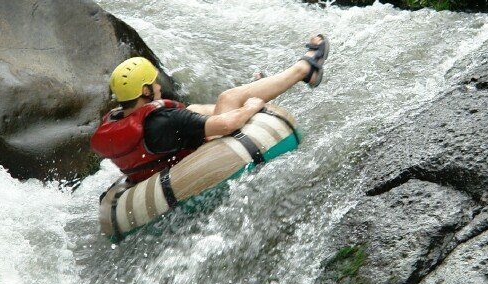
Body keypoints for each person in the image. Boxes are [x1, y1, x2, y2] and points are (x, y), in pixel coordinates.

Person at [91, 35, 330, 184]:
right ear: (144, 91)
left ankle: (259, 84)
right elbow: (227, 124)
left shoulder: (113, 123)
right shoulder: (165, 120)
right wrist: (251, 107)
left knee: (195, 107)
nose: (157, 86)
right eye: (153, 83)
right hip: (191, 163)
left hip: (157, 163)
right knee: (230, 97)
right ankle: (305, 70)